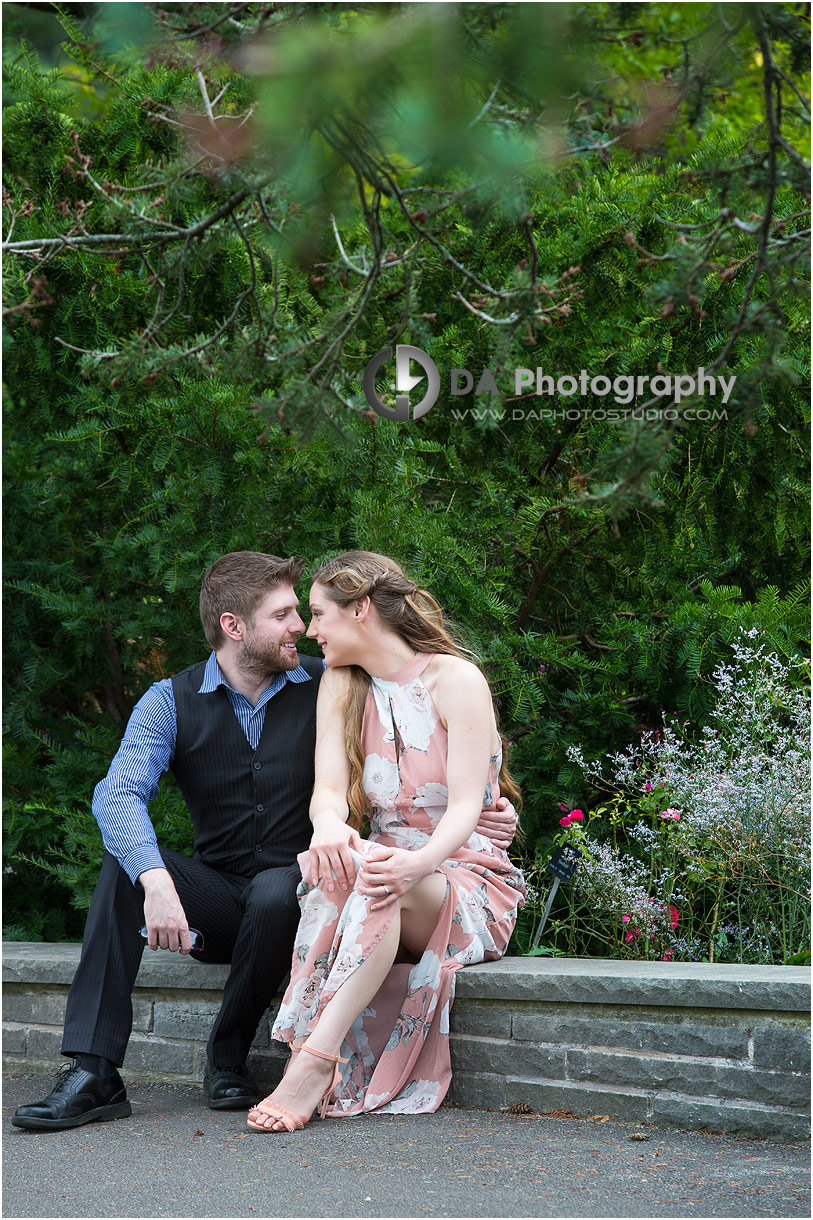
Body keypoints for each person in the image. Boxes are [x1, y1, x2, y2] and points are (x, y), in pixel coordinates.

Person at [12, 551, 517, 1131]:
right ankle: (93, 1071)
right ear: (234, 626)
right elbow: (117, 794)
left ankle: (230, 1060)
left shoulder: (329, 678)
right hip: (233, 893)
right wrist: (154, 879)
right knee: (122, 870)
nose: (301, 628)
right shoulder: (170, 701)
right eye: (283, 616)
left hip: (303, 889)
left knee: (281, 889)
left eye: (307, 613)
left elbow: (455, 769)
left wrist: (488, 814)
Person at [246, 551, 526, 1132]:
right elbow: (327, 789)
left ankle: (311, 1063)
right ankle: (315, 1060)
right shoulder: (342, 687)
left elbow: (470, 808)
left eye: (320, 614)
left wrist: (416, 863)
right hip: (386, 872)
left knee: (375, 868)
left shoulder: (456, 680)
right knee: (349, 857)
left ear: (361, 609)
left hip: (465, 880)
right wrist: (328, 826)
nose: (310, 631)